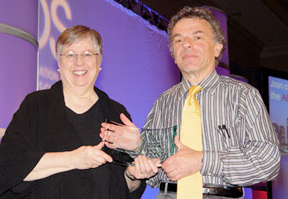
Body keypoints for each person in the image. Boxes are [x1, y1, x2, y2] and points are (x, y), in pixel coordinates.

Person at [100, 6, 280, 199]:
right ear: (173, 54)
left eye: (197, 37)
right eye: (179, 40)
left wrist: (201, 160)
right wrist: (137, 147)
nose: (186, 44)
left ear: (218, 47)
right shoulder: (163, 103)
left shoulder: (243, 96)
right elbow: (153, 172)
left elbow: (268, 161)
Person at [0, 25, 146, 199]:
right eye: (70, 55)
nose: (79, 62)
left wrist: (134, 175)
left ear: (99, 61)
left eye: (87, 54)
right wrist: (74, 159)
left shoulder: (116, 113)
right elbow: (12, 167)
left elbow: (125, 188)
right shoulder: (35, 106)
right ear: (59, 63)